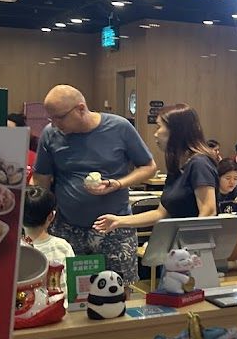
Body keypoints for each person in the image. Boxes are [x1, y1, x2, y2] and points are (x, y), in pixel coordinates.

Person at [31, 85, 157, 283]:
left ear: (81, 108)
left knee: (119, 288)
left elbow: (149, 167)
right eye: (50, 118)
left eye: (59, 117)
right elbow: (41, 179)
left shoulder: (120, 128)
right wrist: (36, 220)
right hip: (67, 228)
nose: (54, 124)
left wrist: (118, 183)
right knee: (70, 289)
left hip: (115, 227)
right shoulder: (50, 135)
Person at [93, 104, 218, 236]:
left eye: (159, 127)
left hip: (194, 250)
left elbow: (208, 212)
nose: (155, 134)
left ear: (176, 131)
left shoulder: (199, 163)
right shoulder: (177, 165)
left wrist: (186, 243)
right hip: (180, 248)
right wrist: (118, 221)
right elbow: (161, 214)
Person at [21, 185, 75, 288]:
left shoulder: (13, 250)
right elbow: (71, 288)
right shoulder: (62, 247)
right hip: (57, 303)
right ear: (51, 216)